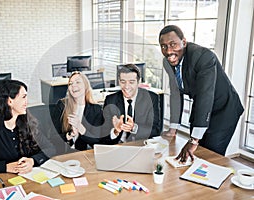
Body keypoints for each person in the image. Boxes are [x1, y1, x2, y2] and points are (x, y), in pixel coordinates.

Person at [159, 25, 244, 160]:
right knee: (195, 154)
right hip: (201, 106)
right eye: (163, 46)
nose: (169, 51)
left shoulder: (203, 57)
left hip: (224, 109)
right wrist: (173, 128)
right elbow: (175, 92)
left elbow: (205, 95)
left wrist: (194, 140)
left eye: (173, 44)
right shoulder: (168, 62)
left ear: (184, 42)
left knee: (210, 155)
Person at [100, 64, 161, 144]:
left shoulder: (151, 98)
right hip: (118, 146)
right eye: (123, 82)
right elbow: (103, 134)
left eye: (131, 82)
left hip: (141, 146)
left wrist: (134, 128)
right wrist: (116, 131)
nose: (126, 86)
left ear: (138, 82)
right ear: (119, 82)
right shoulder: (111, 100)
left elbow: (156, 130)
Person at [51, 71, 104, 151]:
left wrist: (80, 128)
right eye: (70, 83)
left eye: (78, 82)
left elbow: (96, 141)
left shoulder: (96, 109)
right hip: (64, 153)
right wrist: (70, 134)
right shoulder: (62, 105)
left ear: (86, 86)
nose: (73, 86)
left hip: (84, 154)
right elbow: (52, 137)